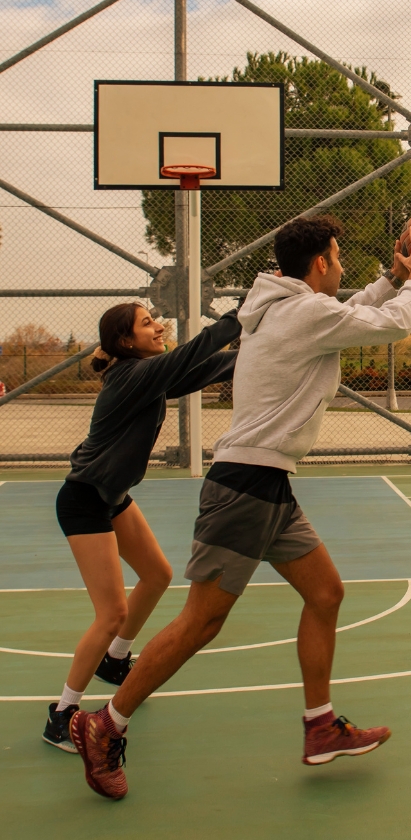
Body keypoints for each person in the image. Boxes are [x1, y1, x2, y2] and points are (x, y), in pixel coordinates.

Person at [70, 214, 411, 800]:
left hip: (269, 484)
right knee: (202, 621)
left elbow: (353, 309)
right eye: (338, 256)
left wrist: (392, 276)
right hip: (245, 486)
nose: (342, 265)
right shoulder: (304, 313)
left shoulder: (291, 306)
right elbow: (388, 325)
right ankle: (105, 723)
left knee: (326, 593)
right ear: (320, 263)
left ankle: (320, 726)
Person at [43, 303, 240, 753]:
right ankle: (62, 714)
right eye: (147, 323)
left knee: (157, 575)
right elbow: (194, 354)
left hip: (111, 498)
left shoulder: (148, 374)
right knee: (110, 613)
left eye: (156, 320)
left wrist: (269, 349)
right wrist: (240, 315)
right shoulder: (131, 376)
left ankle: (115, 662)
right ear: (126, 342)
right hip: (85, 501)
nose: (159, 326)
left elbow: (208, 368)